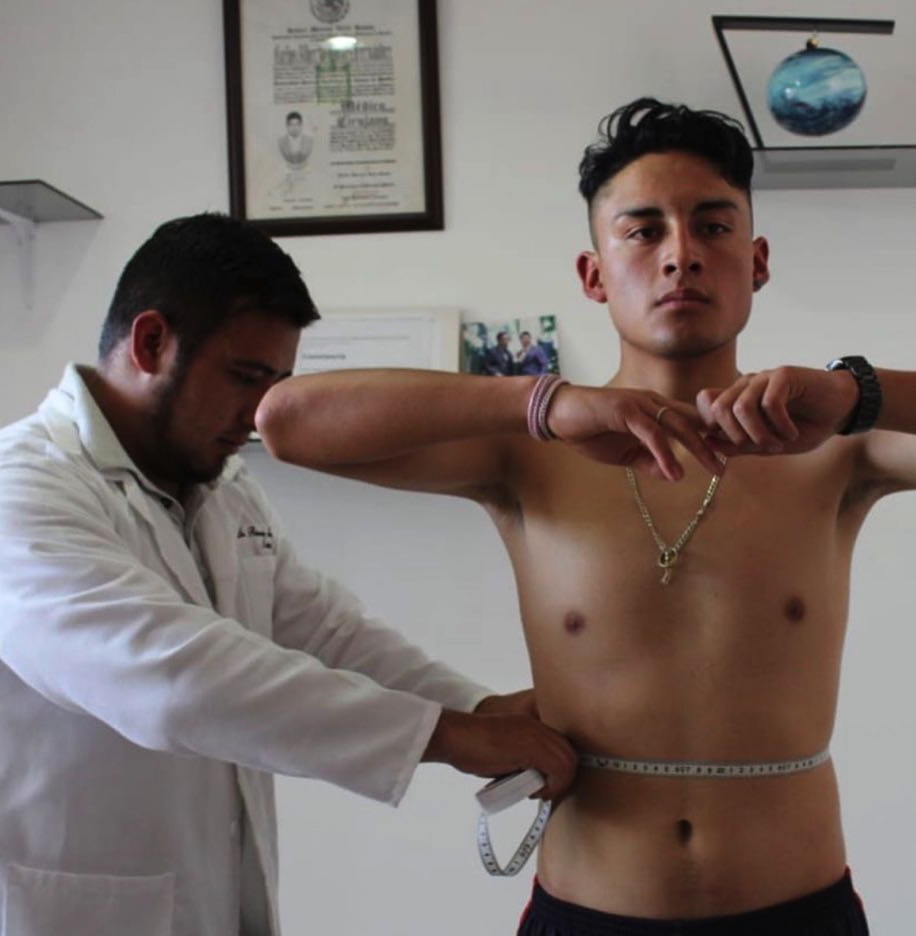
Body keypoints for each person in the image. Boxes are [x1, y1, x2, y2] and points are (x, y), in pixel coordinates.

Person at [255, 98, 916, 934]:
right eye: (643, 231)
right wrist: (543, 403)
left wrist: (859, 392)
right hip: (587, 911)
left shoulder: (835, 450)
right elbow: (285, 421)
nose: (681, 254)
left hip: (799, 912)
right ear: (594, 274)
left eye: (713, 227)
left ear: (756, 262)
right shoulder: (530, 455)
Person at [0, 213, 579, 936]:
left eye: (277, 384)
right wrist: (446, 735)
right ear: (151, 342)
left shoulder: (222, 488)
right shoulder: (6, 488)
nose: (259, 414)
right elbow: (167, 677)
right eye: (246, 378)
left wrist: (478, 706)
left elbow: (325, 631)